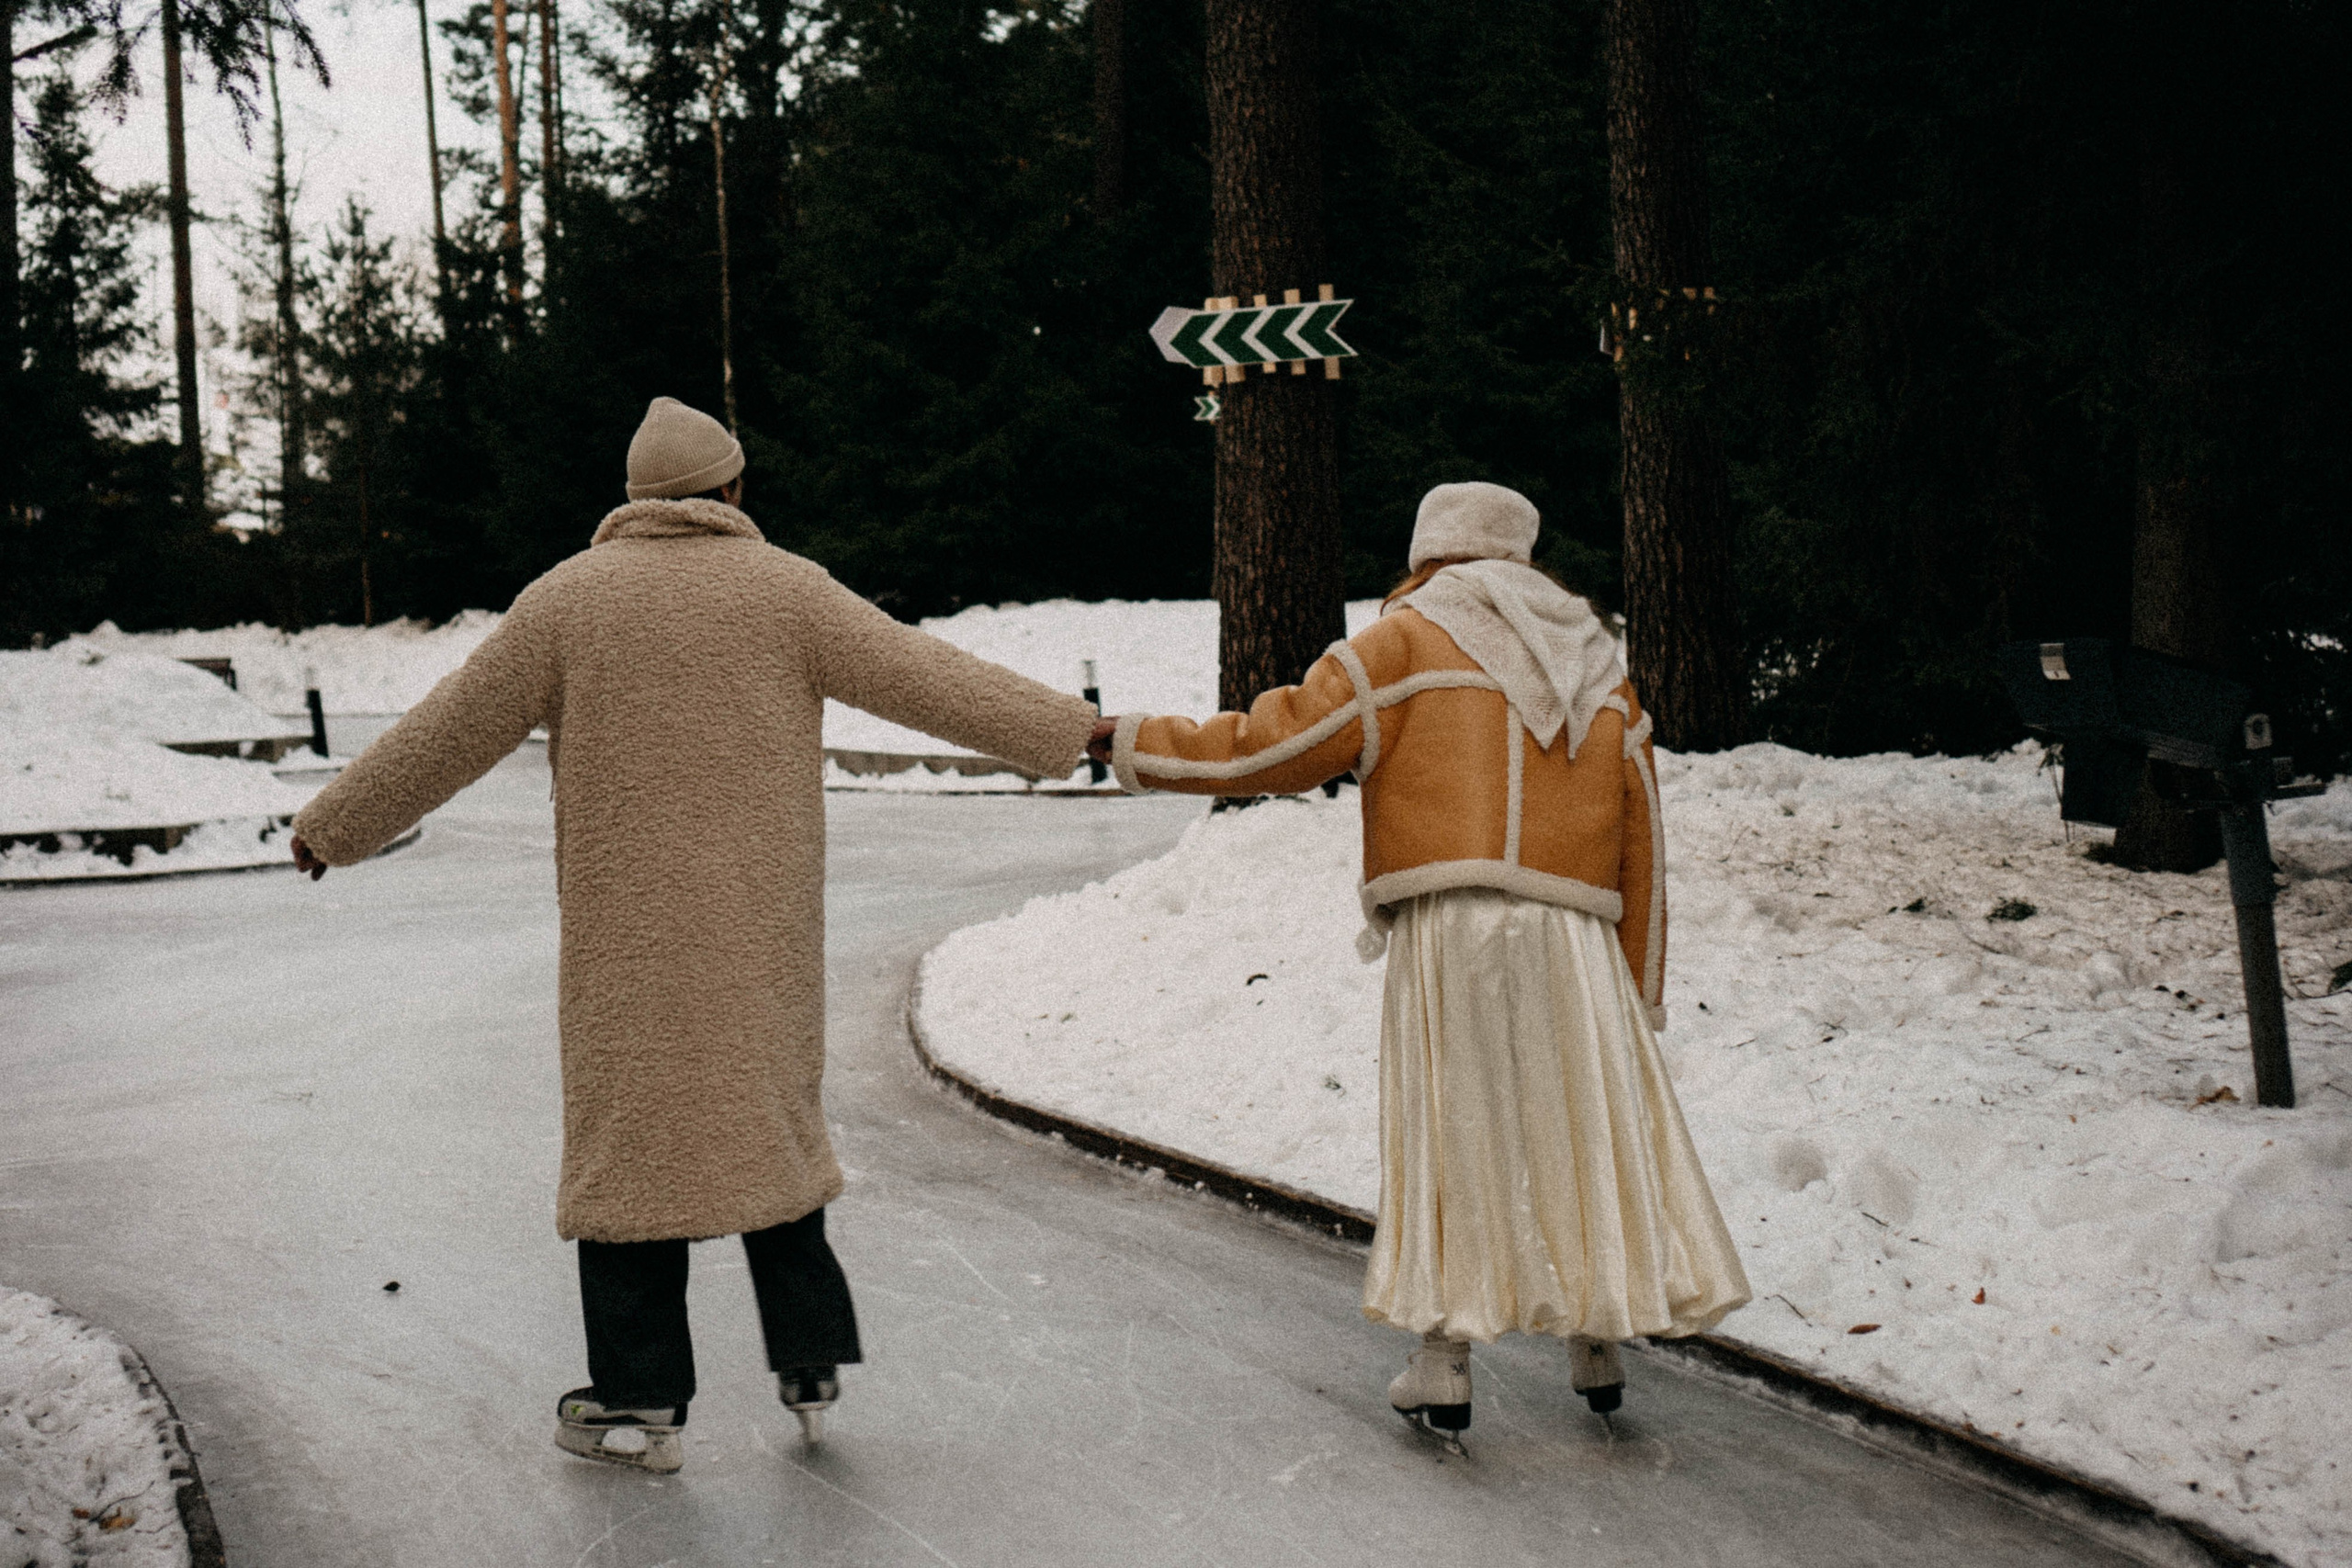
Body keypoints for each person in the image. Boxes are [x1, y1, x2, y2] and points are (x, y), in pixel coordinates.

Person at [288, 396, 1114, 1472]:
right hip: (761, 936)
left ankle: (638, 1403)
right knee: (767, 1126)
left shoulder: (566, 603)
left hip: (623, 950)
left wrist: (333, 827)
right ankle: (809, 1358)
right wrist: (1071, 729)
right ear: (730, 492)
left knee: (634, 1156)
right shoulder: (788, 593)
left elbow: (447, 730)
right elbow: (927, 676)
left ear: (636, 501)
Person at [1090, 481, 1749, 1442]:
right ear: (1522, 555)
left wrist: (1136, 743)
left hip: (1455, 919)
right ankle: (1597, 1342)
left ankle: (1443, 1360)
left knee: (1453, 1127)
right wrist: (1639, 982)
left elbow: (1271, 747)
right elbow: (1642, 825)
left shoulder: (1403, 641)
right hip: (1577, 935)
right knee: (1578, 1128)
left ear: (1427, 550)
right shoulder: (1599, 660)